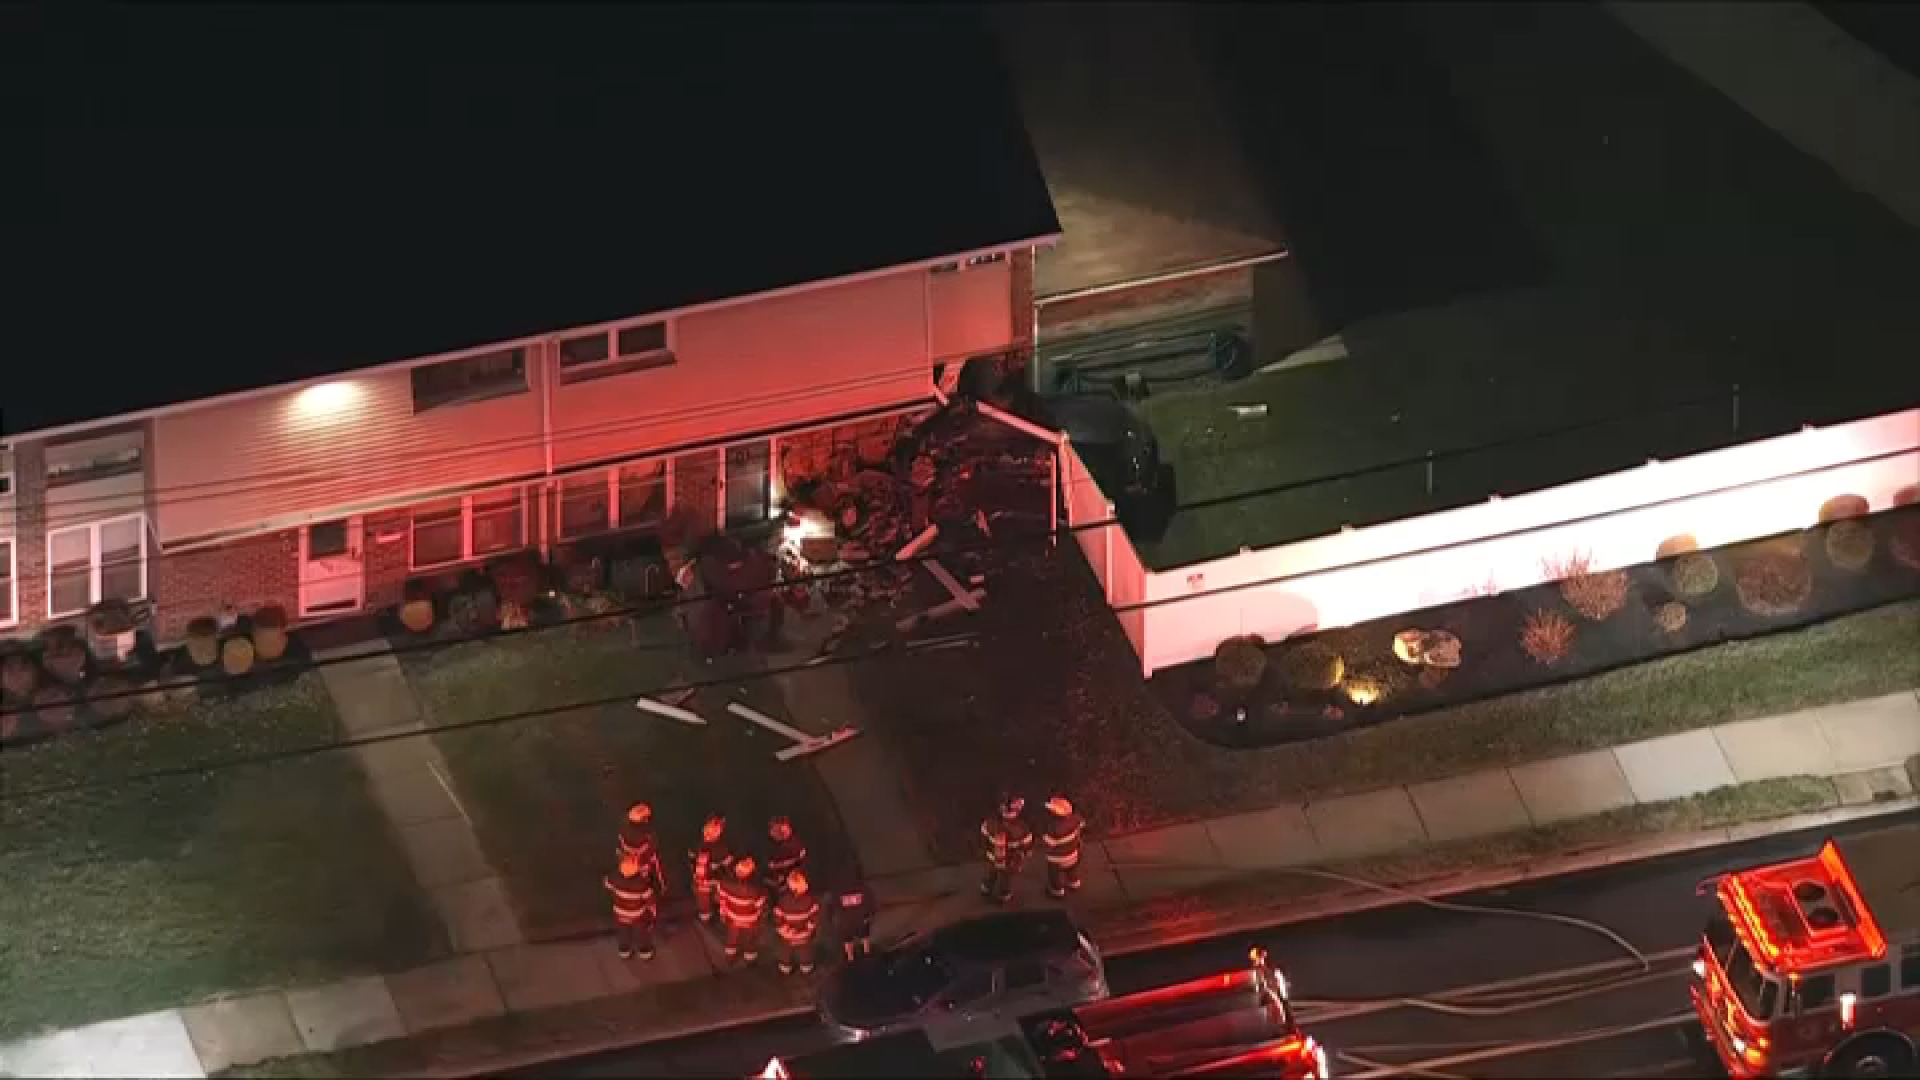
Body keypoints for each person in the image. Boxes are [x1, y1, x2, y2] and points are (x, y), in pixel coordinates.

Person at [604, 852, 660, 961]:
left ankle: (624, 950)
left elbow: (607, 884)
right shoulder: (641, 884)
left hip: (619, 913)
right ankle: (644, 951)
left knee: (623, 932)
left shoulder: (614, 878)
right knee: (641, 932)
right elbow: (650, 899)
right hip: (637, 915)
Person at [979, 795, 1033, 904]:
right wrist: (1025, 854)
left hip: (994, 857)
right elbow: (1027, 844)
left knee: (992, 873)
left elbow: (983, 838)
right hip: (1010, 860)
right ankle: (1004, 896)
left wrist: (985, 850)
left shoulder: (991, 823)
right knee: (1006, 878)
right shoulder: (1022, 827)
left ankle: (986, 888)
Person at [716, 856, 769, 964]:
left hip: (732, 917)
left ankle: (730, 958)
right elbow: (761, 906)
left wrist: (723, 913)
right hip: (750, 920)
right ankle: (749, 959)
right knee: (749, 939)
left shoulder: (725, 884)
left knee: (732, 937)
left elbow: (720, 899)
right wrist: (762, 917)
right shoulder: (756, 889)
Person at [773, 870, 822, 976]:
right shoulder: (810, 900)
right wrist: (807, 930)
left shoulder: (782, 900)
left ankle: (785, 968)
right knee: (805, 952)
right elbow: (815, 917)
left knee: (785, 953)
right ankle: (806, 969)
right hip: (804, 936)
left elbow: (778, 919)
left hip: (787, 937)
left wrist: (787, 931)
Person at [689, 815, 733, 926]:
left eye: (716, 829)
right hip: (707, 883)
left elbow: (728, 866)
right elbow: (691, 859)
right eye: (710, 828)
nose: (711, 832)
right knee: (707, 903)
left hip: (708, 882)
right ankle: (709, 919)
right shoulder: (715, 847)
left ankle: (712, 919)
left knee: (710, 901)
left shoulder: (718, 847)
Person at [1040, 795, 1085, 899]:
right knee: (1071, 870)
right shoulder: (1076, 818)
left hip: (1057, 858)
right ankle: (1073, 883)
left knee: (1054, 875)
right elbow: (1082, 825)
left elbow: (1049, 843)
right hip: (1073, 853)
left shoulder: (1053, 828)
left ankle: (1057, 891)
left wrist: (1043, 836)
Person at [831, 878, 876, 962]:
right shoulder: (863, 888)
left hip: (847, 922)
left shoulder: (838, 891)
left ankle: (851, 958)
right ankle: (865, 955)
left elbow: (834, 907)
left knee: (849, 940)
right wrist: (869, 915)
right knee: (863, 938)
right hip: (859, 920)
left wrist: (837, 920)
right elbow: (871, 902)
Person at [765, 816, 808, 890]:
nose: (781, 833)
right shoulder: (772, 846)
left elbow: (799, 861)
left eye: (782, 832)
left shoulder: (795, 845)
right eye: (777, 831)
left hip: (792, 880)